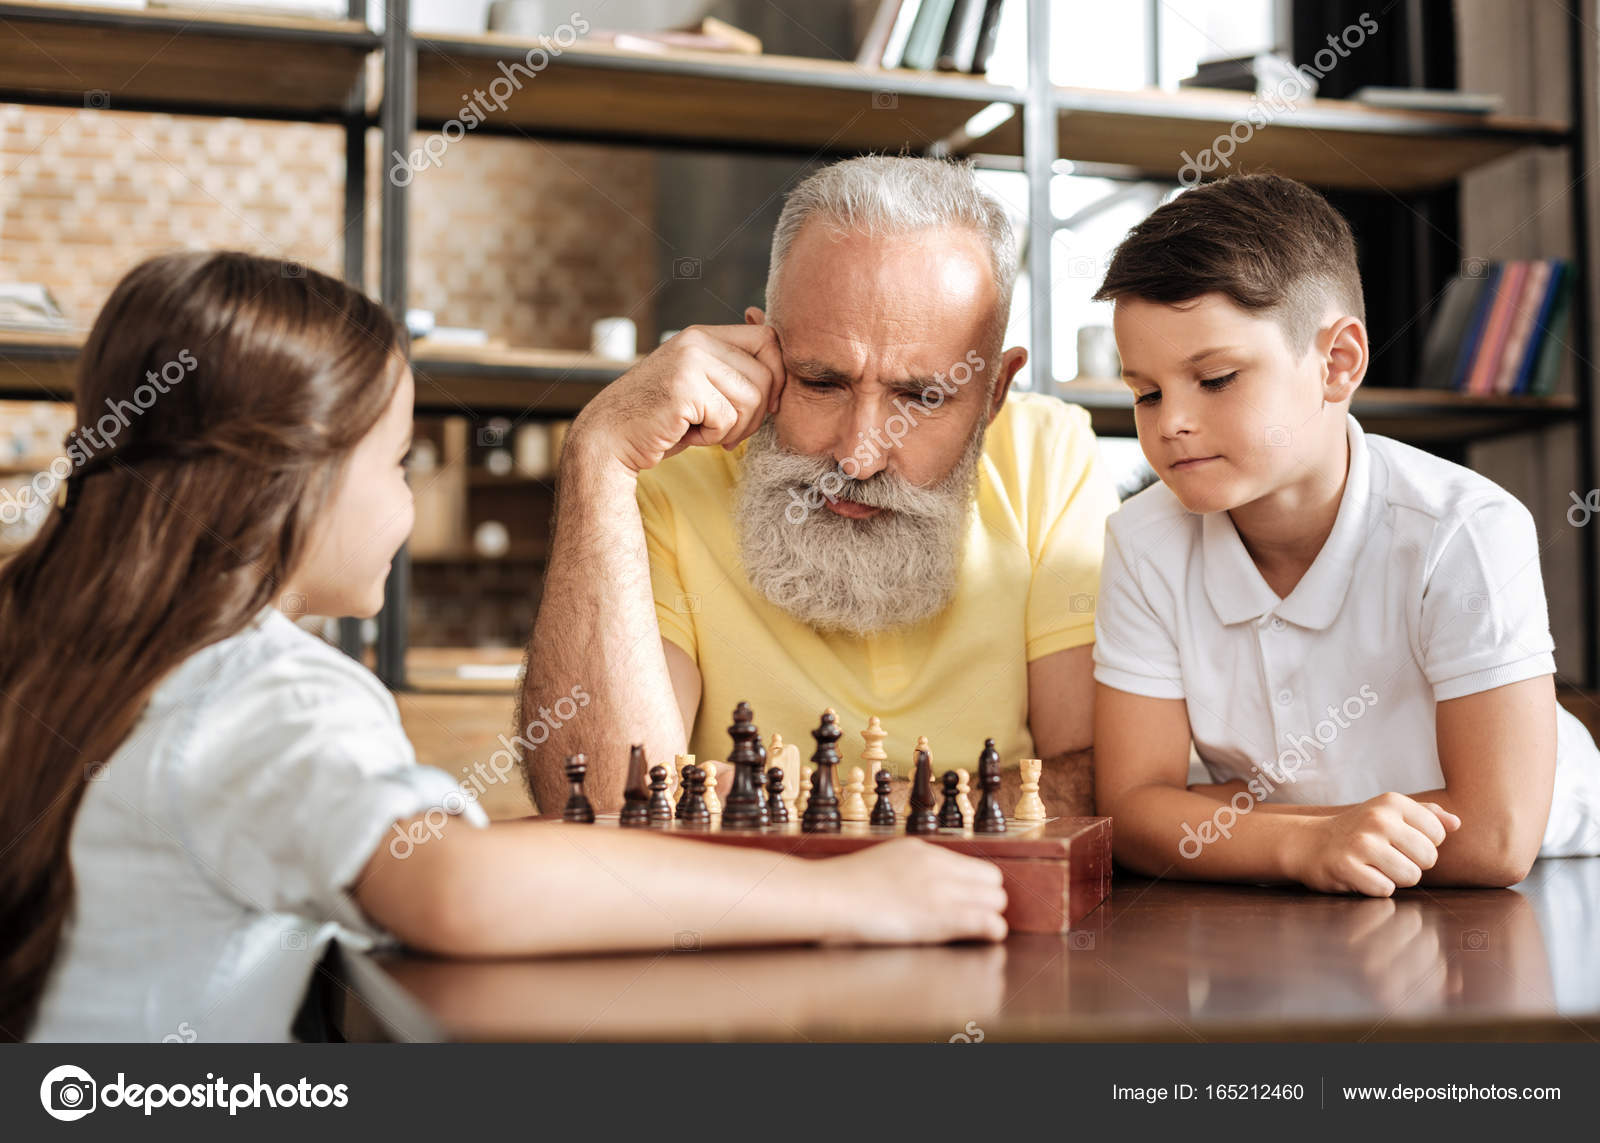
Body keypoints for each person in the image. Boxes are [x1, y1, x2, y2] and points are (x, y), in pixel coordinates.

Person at [0, 252, 1007, 1043]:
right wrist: (839, 895)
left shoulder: (57, 640)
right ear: (287, 483)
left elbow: (445, 853)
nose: (406, 499)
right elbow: (458, 891)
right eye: (396, 464)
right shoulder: (269, 692)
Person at [517, 156, 1121, 818]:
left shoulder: (1051, 454)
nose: (858, 458)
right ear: (761, 349)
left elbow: (1101, 782)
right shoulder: (669, 469)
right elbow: (606, 805)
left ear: (994, 393)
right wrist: (597, 454)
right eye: (821, 382)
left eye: (920, 397)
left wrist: (827, 804)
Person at [1090, 172, 1600, 895]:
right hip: (1310, 888)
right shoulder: (1142, 542)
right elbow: (1132, 812)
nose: (1169, 421)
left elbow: (1495, 837)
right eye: (1145, 392)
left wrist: (1241, 823)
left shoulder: (1465, 529)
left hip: (1551, 886)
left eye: (1217, 378)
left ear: (1338, 363)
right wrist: (1305, 843)